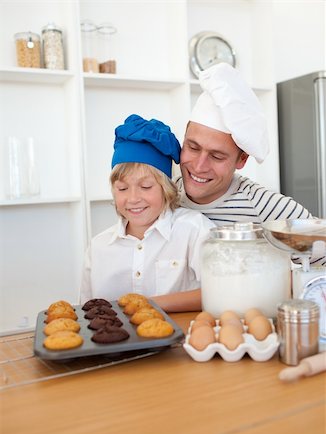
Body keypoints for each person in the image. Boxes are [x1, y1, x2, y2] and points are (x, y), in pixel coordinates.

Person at [174, 63, 325, 267]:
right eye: (192, 147)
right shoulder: (166, 193)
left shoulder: (265, 206)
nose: (200, 166)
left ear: (242, 160)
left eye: (217, 156)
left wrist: (278, 280)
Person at [80, 114, 213, 311]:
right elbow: (86, 312)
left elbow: (219, 292)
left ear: (166, 187)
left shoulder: (194, 230)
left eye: (146, 186)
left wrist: (147, 305)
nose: (133, 198)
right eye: (122, 188)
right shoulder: (99, 247)